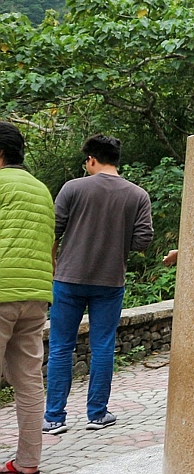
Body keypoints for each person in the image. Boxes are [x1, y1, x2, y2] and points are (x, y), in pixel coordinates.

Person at [44, 134, 152, 435]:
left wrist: (53, 265)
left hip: (67, 279)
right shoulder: (137, 195)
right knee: (102, 346)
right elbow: (143, 240)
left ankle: (54, 418)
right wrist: (116, 240)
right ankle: (97, 414)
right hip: (110, 281)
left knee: (61, 348)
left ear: (91, 159)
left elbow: (53, 229)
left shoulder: (73, 188)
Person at [0, 123, 55, 474]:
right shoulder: (42, 190)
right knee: (29, 382)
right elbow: (51, 247)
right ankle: (27, 462)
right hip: (36, 297)